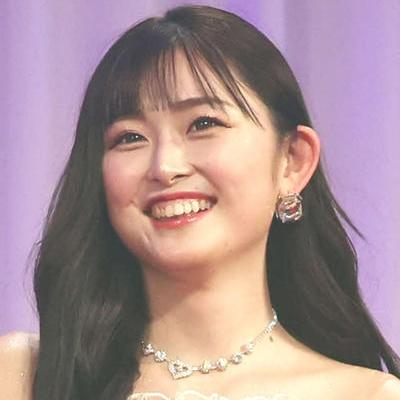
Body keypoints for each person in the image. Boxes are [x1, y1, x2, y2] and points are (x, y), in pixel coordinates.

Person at [1, 4, 399, 400]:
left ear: (292, 161)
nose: (165, 167)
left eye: (203, 124)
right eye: (130, 137)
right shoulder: (23, 377)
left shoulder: (367, 395)